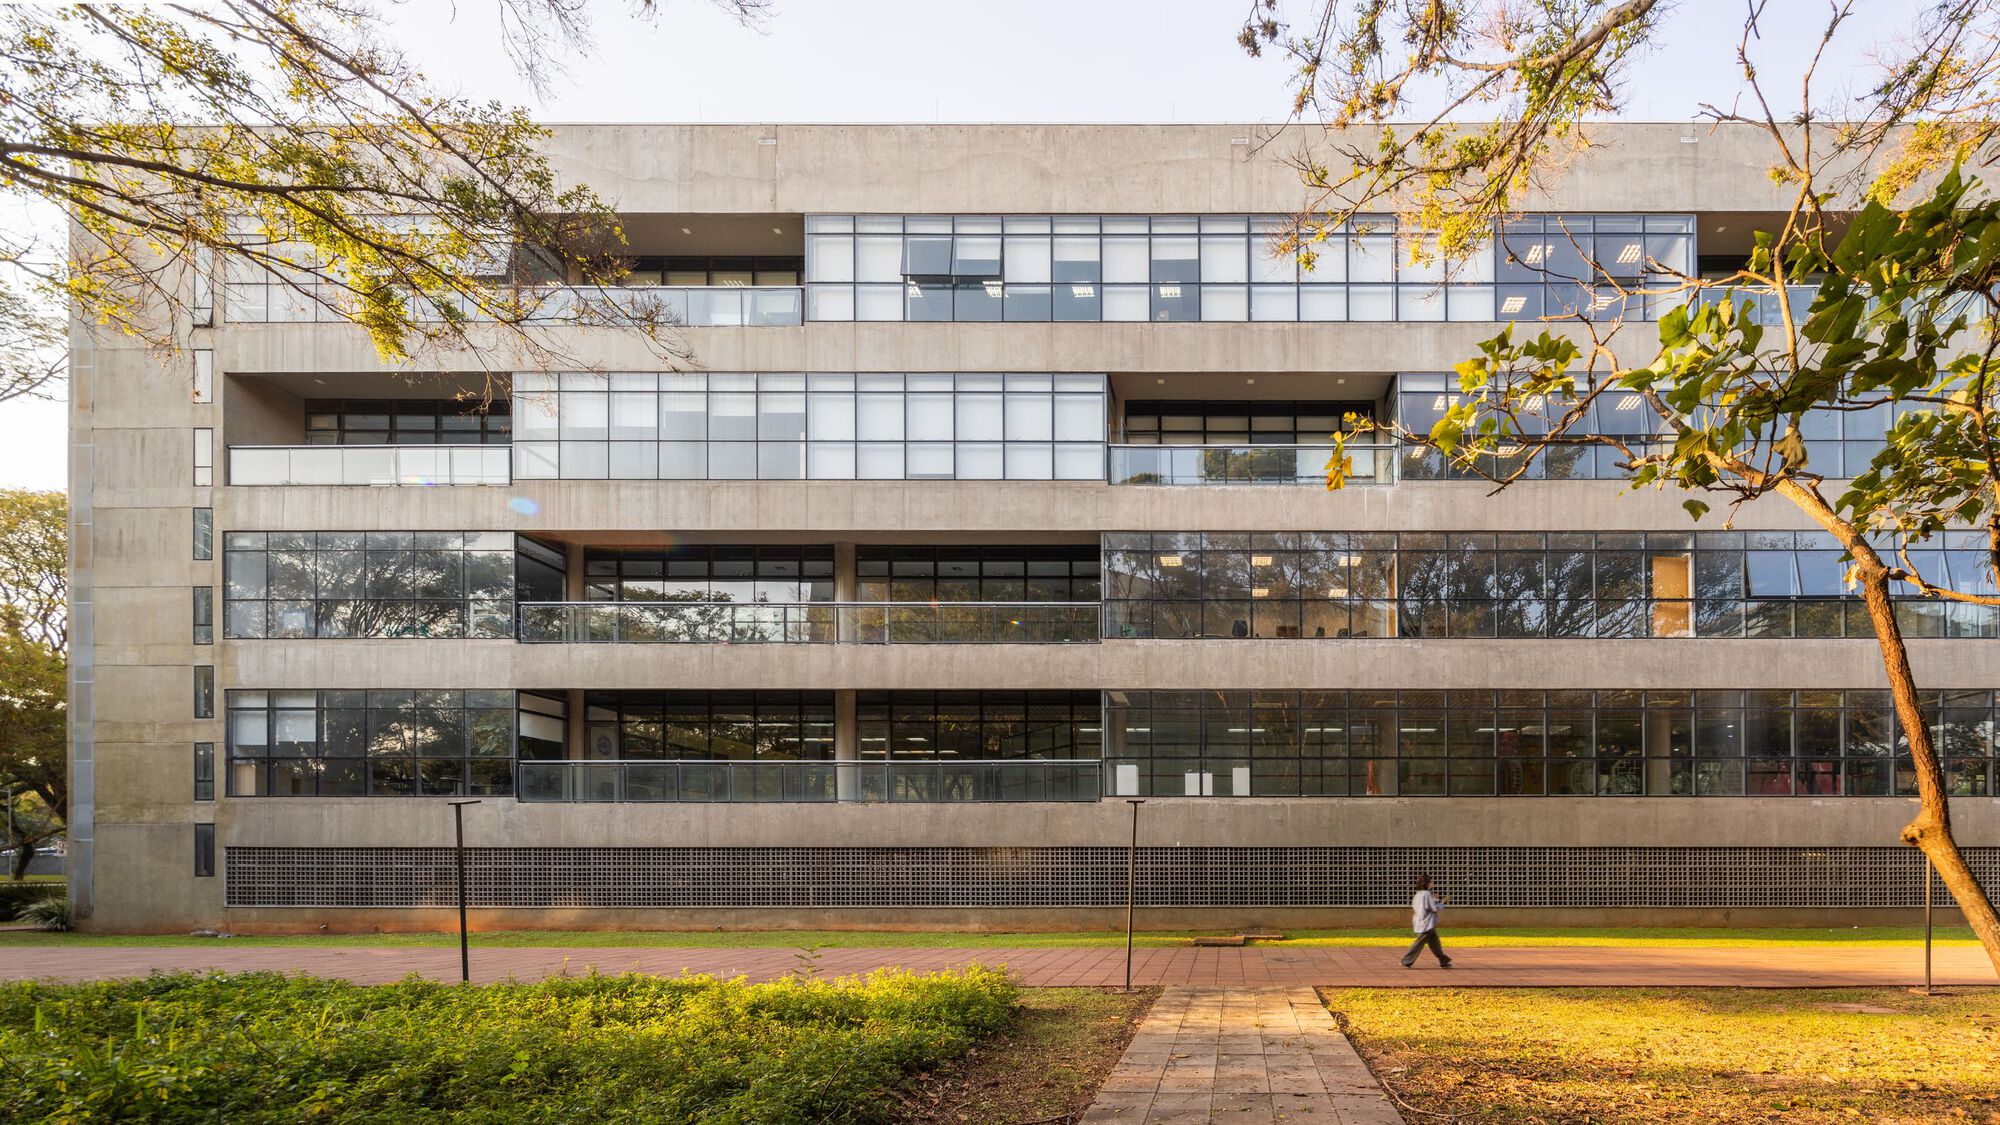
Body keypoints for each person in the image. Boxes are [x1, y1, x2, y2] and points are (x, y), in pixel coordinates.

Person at [1400, 874, 1452, 969]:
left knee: (1435, 943)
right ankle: (1406, 960)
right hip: (1426, 923)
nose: (1432, 883)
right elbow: (1434, 908)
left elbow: (1423, 906)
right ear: (1427, 883)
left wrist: (1434, 899)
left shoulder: (1418, 894)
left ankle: (1443, 960)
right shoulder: (1427, 894)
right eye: (1431, 881)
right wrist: (1443, 902)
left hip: (1421, 921)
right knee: (1418, 943)